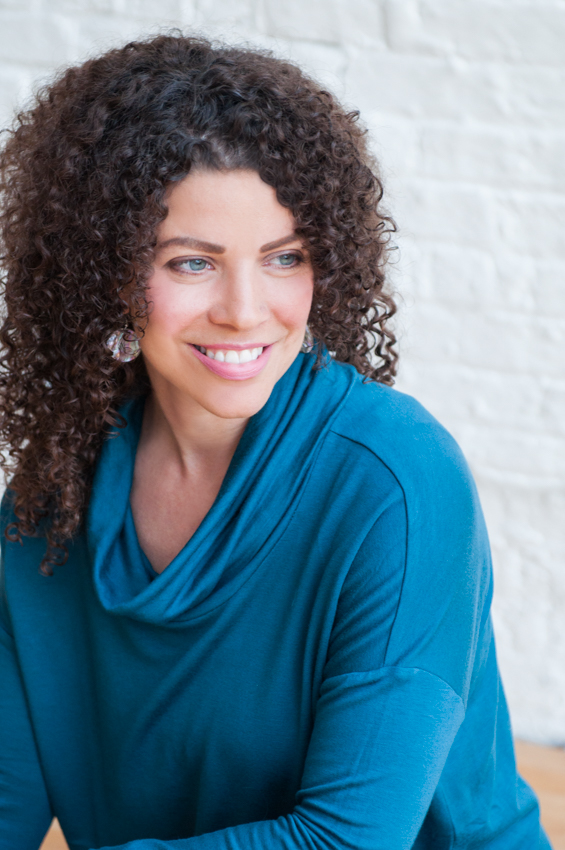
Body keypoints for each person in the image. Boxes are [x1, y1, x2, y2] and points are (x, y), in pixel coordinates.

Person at [0, 33, 550, 850]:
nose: (246, 309)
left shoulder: (395, 480)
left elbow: (348, 841)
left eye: (284, 257)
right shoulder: (55, 491)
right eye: (192, 264)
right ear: (102, 271)